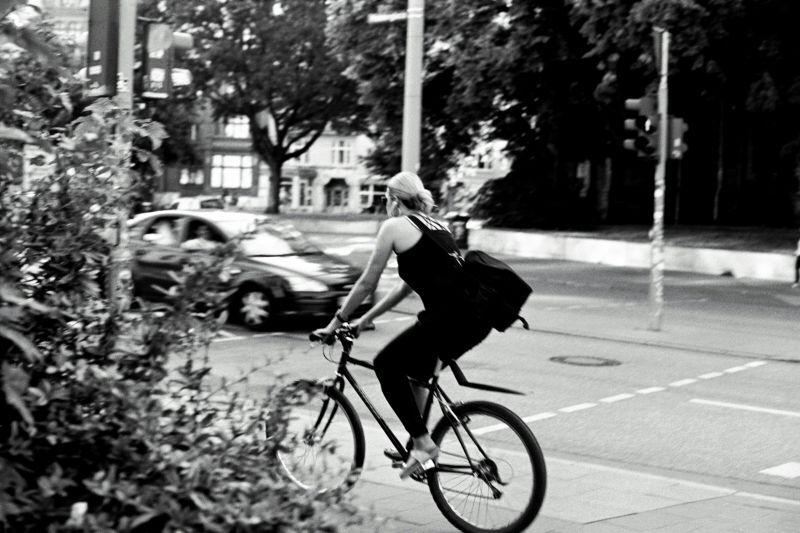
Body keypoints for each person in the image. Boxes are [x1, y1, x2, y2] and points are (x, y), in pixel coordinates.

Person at [312, 171, 492, 480]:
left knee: (386, 364)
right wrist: (363, 320)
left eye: (385, 199)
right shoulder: (437, 225)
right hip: (477, 318)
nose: (385, 205)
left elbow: (367, 283)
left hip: (449, 318)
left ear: (394, 200)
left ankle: (423, 444)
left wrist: (335, 324)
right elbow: (403, 288)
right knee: (416, 374)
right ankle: (416, 445)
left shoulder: (394, 226)